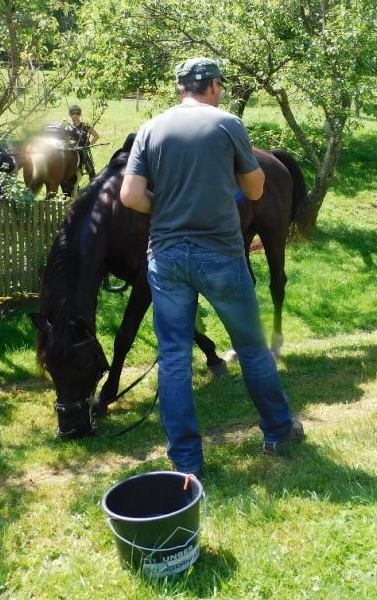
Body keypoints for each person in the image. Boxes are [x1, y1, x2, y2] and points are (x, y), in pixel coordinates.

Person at [120, 57, 304, 476]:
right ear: (215, 86)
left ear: (181, 88)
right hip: (220, 253)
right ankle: (278, 431)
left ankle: (185, 460)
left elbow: (131, 195)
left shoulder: (150, 128)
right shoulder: (226, 124)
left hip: (165, 257)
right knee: (253, 348)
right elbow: (256, 188)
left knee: (173, 357)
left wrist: (165, 205)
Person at [68, 104, 100, 179]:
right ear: (70, 114)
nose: (75, 115)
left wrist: (89, 145)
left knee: (90, 169)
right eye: (73, 113)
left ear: (80, 114)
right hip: (72, 150)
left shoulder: (85, 125)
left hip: (83, 150)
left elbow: (96, 136)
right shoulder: (68, 126)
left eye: (77, 113)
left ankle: (92, 183)